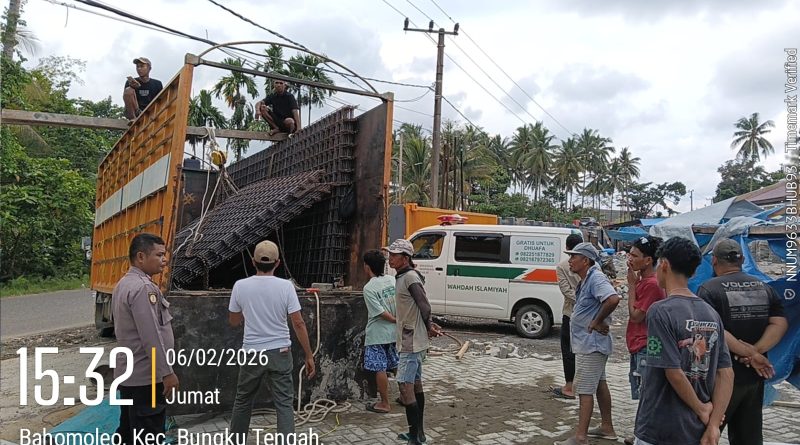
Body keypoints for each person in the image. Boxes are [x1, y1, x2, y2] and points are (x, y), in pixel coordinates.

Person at [634, 237, 734, 445]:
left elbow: (673, 371)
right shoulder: (711, 313)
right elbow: (726, 372)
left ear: (664, 265)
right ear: (694, 272)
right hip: (696, 430)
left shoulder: (660, 311)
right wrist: (713, 424)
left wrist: (701, 408)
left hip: (660, 427)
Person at [697, 238, 787, 445]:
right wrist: (757, 352)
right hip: (754, 378)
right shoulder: (764, 288)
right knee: (749, 438)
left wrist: (750, 353)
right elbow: (780, 323)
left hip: (720, 379)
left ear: (714, 261)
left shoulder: (708, 289)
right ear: (743, 259)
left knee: (707, 435)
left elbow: (713, 329)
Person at [228, 240, 316, 441]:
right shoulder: (286, 286)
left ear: (253, 261)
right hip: (280, 352)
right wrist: (309, 354)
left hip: (251, 352)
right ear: (277, 263)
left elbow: (233, 321)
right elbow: (299, 323)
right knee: (284, 404)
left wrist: (249, 313)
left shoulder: (240, 286)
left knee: (243, 400)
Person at [112, 233, 178, 444]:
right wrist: (166, 372)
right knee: (148, 433)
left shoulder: (124, 284)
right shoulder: (143, 288)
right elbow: (152, 336)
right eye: (159, 255)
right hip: (146, 379)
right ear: (141, 257)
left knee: (129, 432)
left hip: (131, 376)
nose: (164, 260)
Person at [556, 242, 621, 445]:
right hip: (590, 343)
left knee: (584, 390)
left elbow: (612, 299)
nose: (570, 261)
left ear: (586, 260)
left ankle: (581, 437)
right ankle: (606, 428)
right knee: (600, 385)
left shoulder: (595, 278)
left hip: (591, 344)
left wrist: (596, 321)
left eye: (574, 257)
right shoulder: (586, 279)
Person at [386, 239, 442, 445]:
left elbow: (424, 305)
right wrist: (429, 324)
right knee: (415, 384)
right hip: (411, 338)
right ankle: (418, 433)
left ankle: (415, 437)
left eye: (394, 255)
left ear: (405, 258)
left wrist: (429, 324)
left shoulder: (409, 277)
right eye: (390, 254)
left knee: (405, 387)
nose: (390, 258)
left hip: (411, 341)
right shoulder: (404, 276)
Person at [623, 236, 666, 445]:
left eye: (634, 255)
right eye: (629, 254)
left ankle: (645, 437)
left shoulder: (651, 285)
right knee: (644, 395)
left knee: (647, 396)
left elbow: (636, 316)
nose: (629, 259)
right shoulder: (644, 281)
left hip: (646, 346)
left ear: (648, 260)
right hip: (638, 345)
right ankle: (641, 434)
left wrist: (631, 285)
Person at [362, 249, 399, 414]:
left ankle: (384, 403)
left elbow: (379, 312)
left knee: (380, 368)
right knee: (397, 364)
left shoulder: (369, 288)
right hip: (394, 333)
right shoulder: (393, 280)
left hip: (378, 333)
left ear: (367, 267)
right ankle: (406, 395)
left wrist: (393, 319)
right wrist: (399, 320)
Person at [552, 233, 583, 400]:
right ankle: (582, 386)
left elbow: (566, 291)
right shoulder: (592, 264)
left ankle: (570, 387)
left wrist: (582, 302)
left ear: (568, 248)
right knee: (582, 351)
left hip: (571, 313)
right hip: (589, 315)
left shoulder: (563, 266)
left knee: (569, 350)